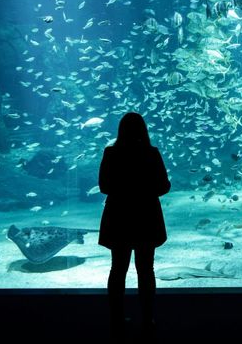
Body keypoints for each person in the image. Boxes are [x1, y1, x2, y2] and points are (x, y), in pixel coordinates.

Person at [98, 112, 170, 339]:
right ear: (143, 131)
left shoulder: (111, 153)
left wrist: (124, 190)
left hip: (119, 216)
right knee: (146, 269)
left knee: (117, 269)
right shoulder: (151, 153)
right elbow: (163, 187)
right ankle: (148, 319)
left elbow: (103, 186)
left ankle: (115, 319)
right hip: (145, 216)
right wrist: (144, 190)